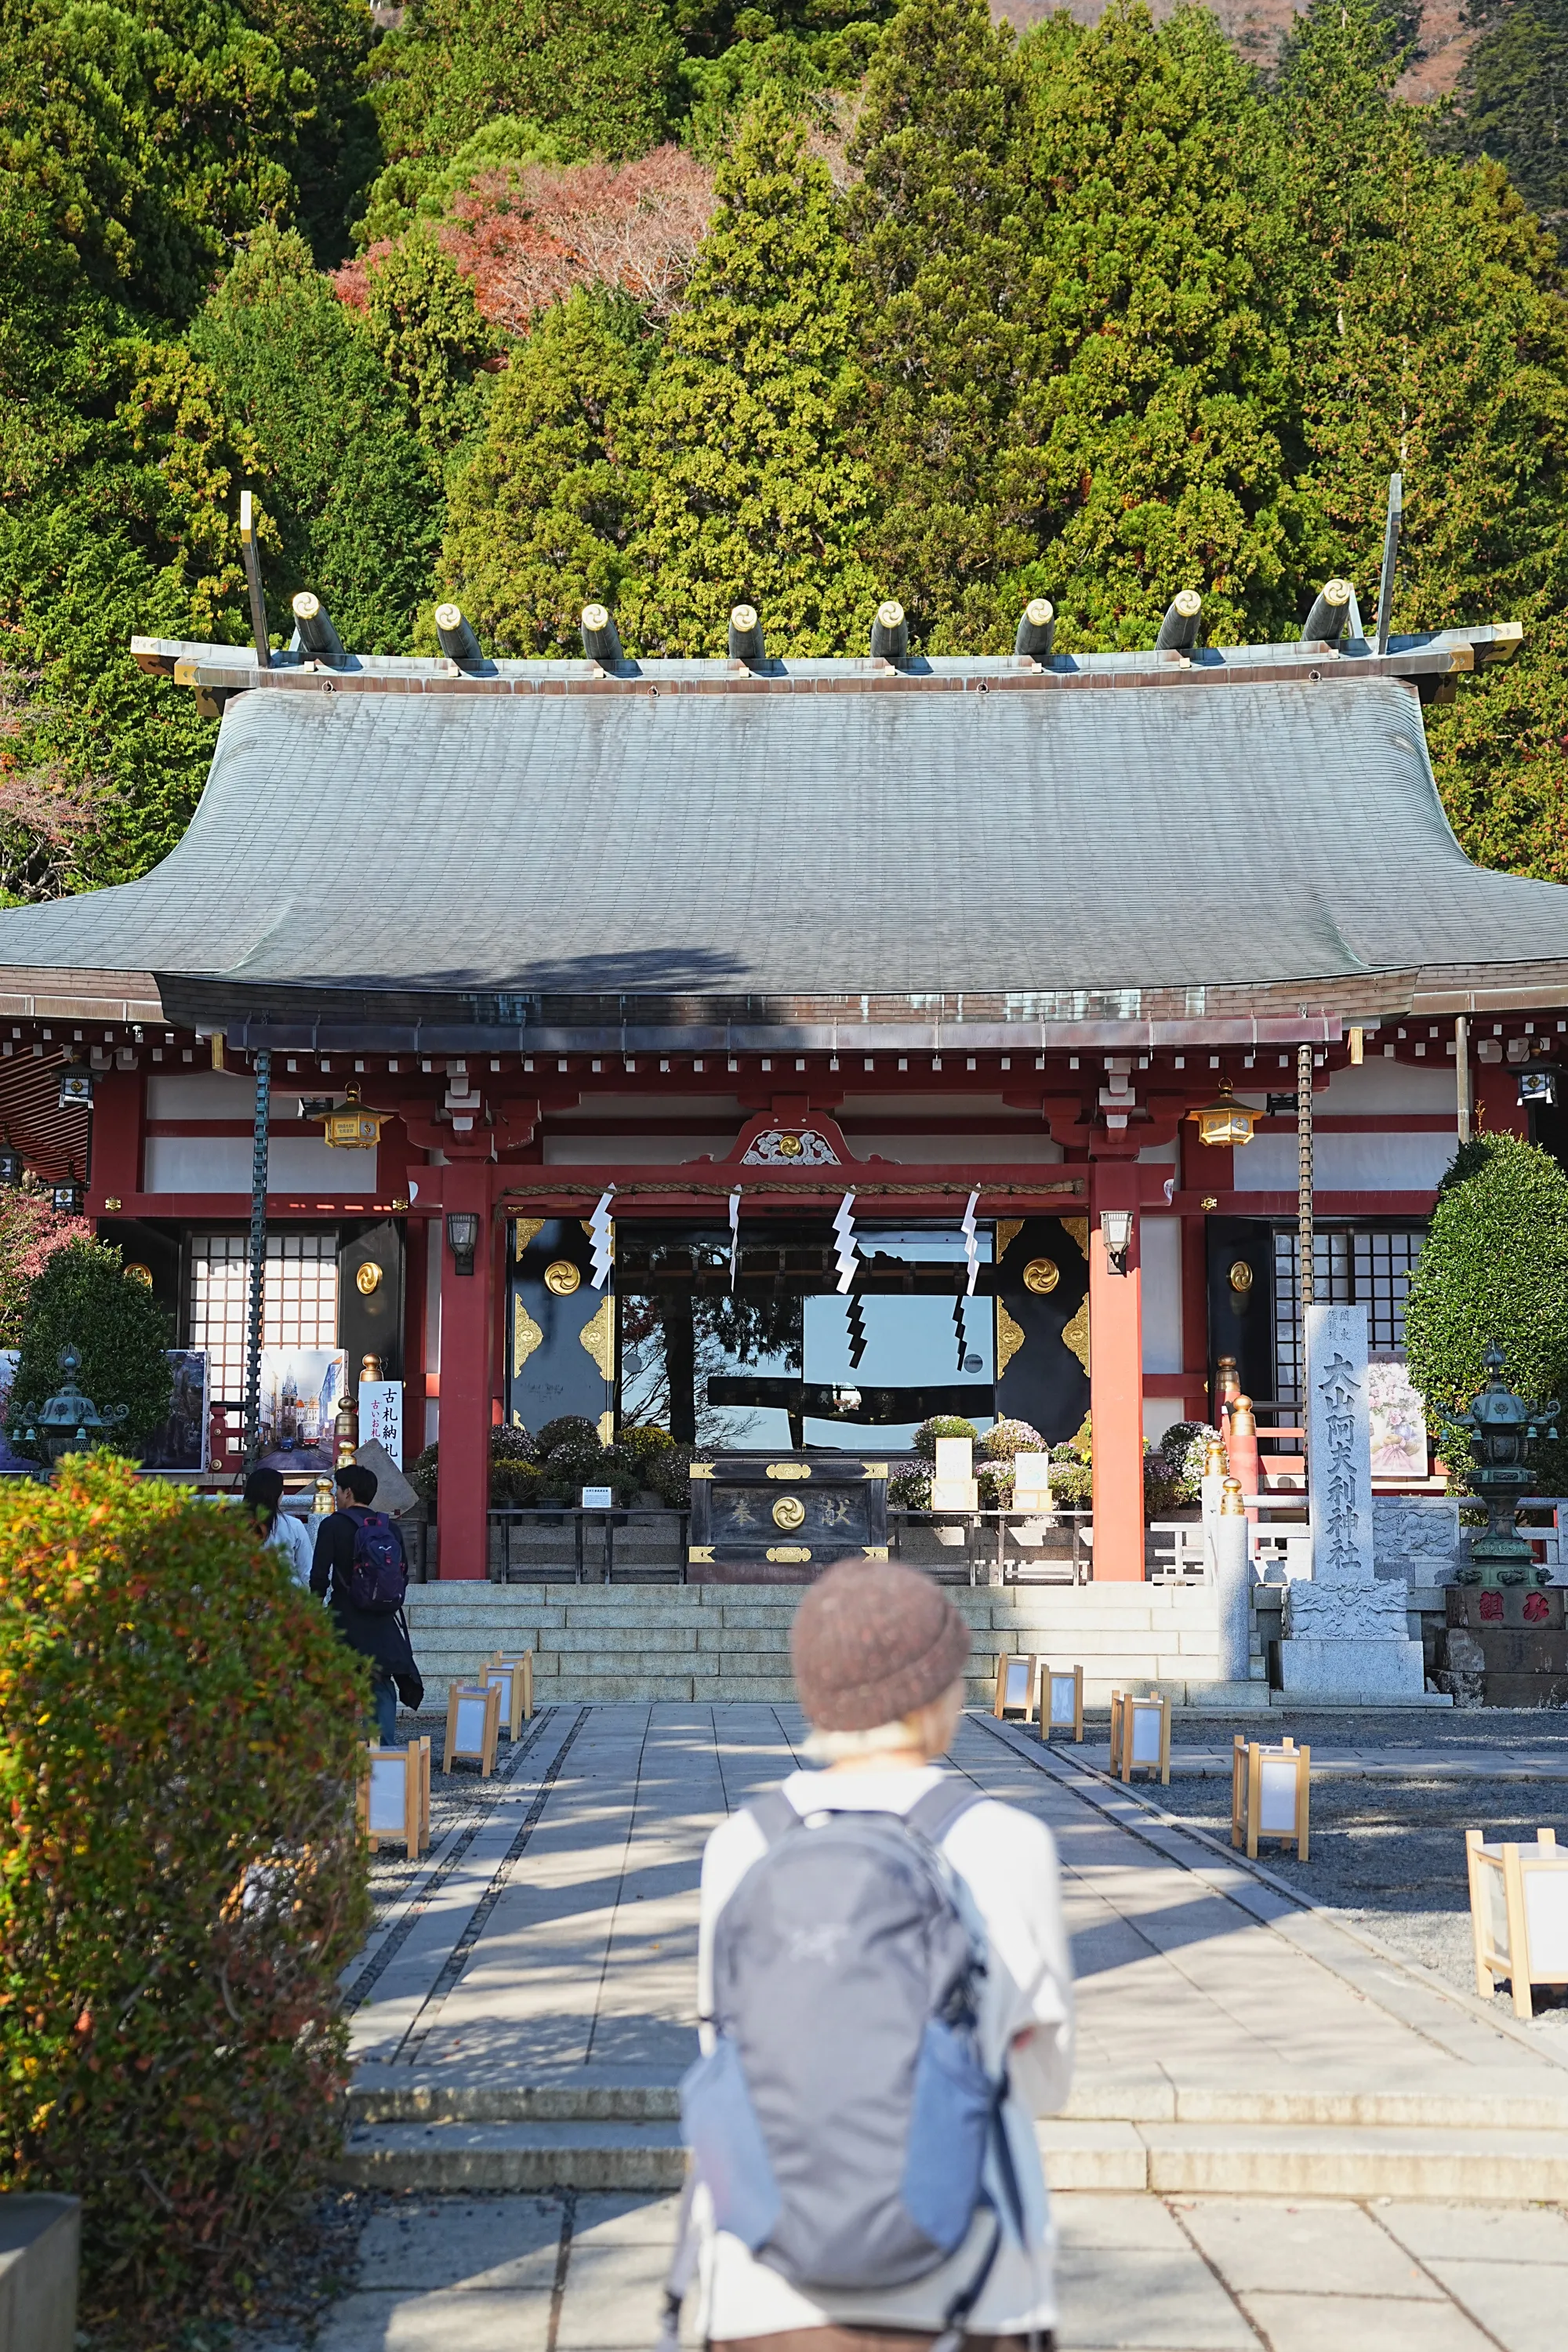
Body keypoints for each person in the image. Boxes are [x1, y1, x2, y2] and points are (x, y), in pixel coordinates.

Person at [689, 1557, 1074, 2352]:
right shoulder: (1008, 1841)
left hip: (768, 2279)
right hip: (970, 2273)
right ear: (937, 1694)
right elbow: (1042, 2077)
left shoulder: (741, 1845)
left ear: (812, 1691)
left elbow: (721, 2045)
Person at [310, 1460, 418, 1745]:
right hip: (381, 1620)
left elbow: (319, 1576)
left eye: (338, 1490)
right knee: (381, 1683)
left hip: (345, 1616)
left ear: (348, 1493)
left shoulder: (333, 1524)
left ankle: (337, 1748)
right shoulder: (389, 1528)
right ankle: (383, 1750)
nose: (335, 1496)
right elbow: (403, 1573)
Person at [243, 1465, 314, 1585]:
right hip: (285, 1596)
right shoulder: (294, 1526)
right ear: (278, 1495)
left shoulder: (235, 1526)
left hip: (243, 1596)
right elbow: (307, 1571)